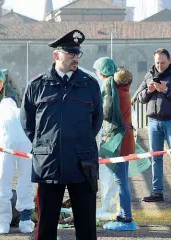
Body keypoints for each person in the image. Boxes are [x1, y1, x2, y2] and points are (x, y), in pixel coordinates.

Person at [21, 29, 103, 240]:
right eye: (71, 54)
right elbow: (28, 123)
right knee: (47, 223)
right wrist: (46, 144)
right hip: (49, 162)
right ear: (56, 55)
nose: (76, 58)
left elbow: (97, 120)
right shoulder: (37, 85)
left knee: (86, 224)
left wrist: (79, 142)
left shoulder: (90, 84)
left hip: (82, 162)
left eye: (78, 54)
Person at [137, 48, 171, 203]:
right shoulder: (148, 76)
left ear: (170, 60)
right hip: (153, 122)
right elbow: (140, 98)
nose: (159, 65)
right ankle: (157, 191)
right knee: (155, 157)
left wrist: (166, 90)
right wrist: (149, 90)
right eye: (157, 62)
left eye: (163, 62)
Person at [94, 59, 137, 231]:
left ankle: (126, 217)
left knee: (121, 181)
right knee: (123, 179)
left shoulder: (113, 91)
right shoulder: (124, 89)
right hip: (126, 138)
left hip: (118, 139)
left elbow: (106, 113)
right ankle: (123, 213)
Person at [0, 97, 35, 234]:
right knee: (26, 180)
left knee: (3, 182)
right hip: (25, 145)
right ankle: (25, 221)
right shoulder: (21, 111)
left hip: (3, 146)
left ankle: (2, 224)